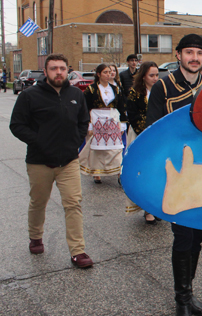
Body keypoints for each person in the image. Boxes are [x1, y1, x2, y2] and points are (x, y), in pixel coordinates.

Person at [146, 34, 202, 316]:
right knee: (183, 238)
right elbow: (154, 132)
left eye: (199, 53)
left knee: (197, 238)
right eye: (189, 52)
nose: (194, 58)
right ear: (179, 55)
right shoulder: (162, 87)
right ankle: (182, 302)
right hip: (178, 174)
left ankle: (189, 290)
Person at [10, 53, 93, 268]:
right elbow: (17, 125)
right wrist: (39, 141)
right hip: (40, 162)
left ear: (68, 70)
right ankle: (35, 236)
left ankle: (78, 251)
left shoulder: (76, 94)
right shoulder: (29, 96)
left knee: (73, 203)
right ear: (45, 72)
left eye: (62, 68)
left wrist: (76, 140)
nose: (59, 72)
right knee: (39, 202)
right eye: (54, 68)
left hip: (68, 161)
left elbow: (83, 121)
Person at [80, 64, 127, 183]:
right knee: (97, 149)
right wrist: (89, 124)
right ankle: (97, 173)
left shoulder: (116, 89)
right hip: (97, 120)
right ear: (98, 74)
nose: (108, 74)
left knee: (116, 148)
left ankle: (118, 173)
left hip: (112, 119)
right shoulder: (91, 89)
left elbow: (121, 106)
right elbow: (85, 107)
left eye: (109, 72)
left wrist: (122, 124)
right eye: (105, 72)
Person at [127, 61, 160, 224]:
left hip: (158, 137)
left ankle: (156, 206)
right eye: (151, 75)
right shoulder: (135, 93)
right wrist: (147, 131)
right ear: (143, 76)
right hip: (141, 135)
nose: (155, 78)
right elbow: (132, 115)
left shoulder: (161, 91)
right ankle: (147, 209)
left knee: (158, 171)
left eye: (157, 75)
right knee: (144, 171)